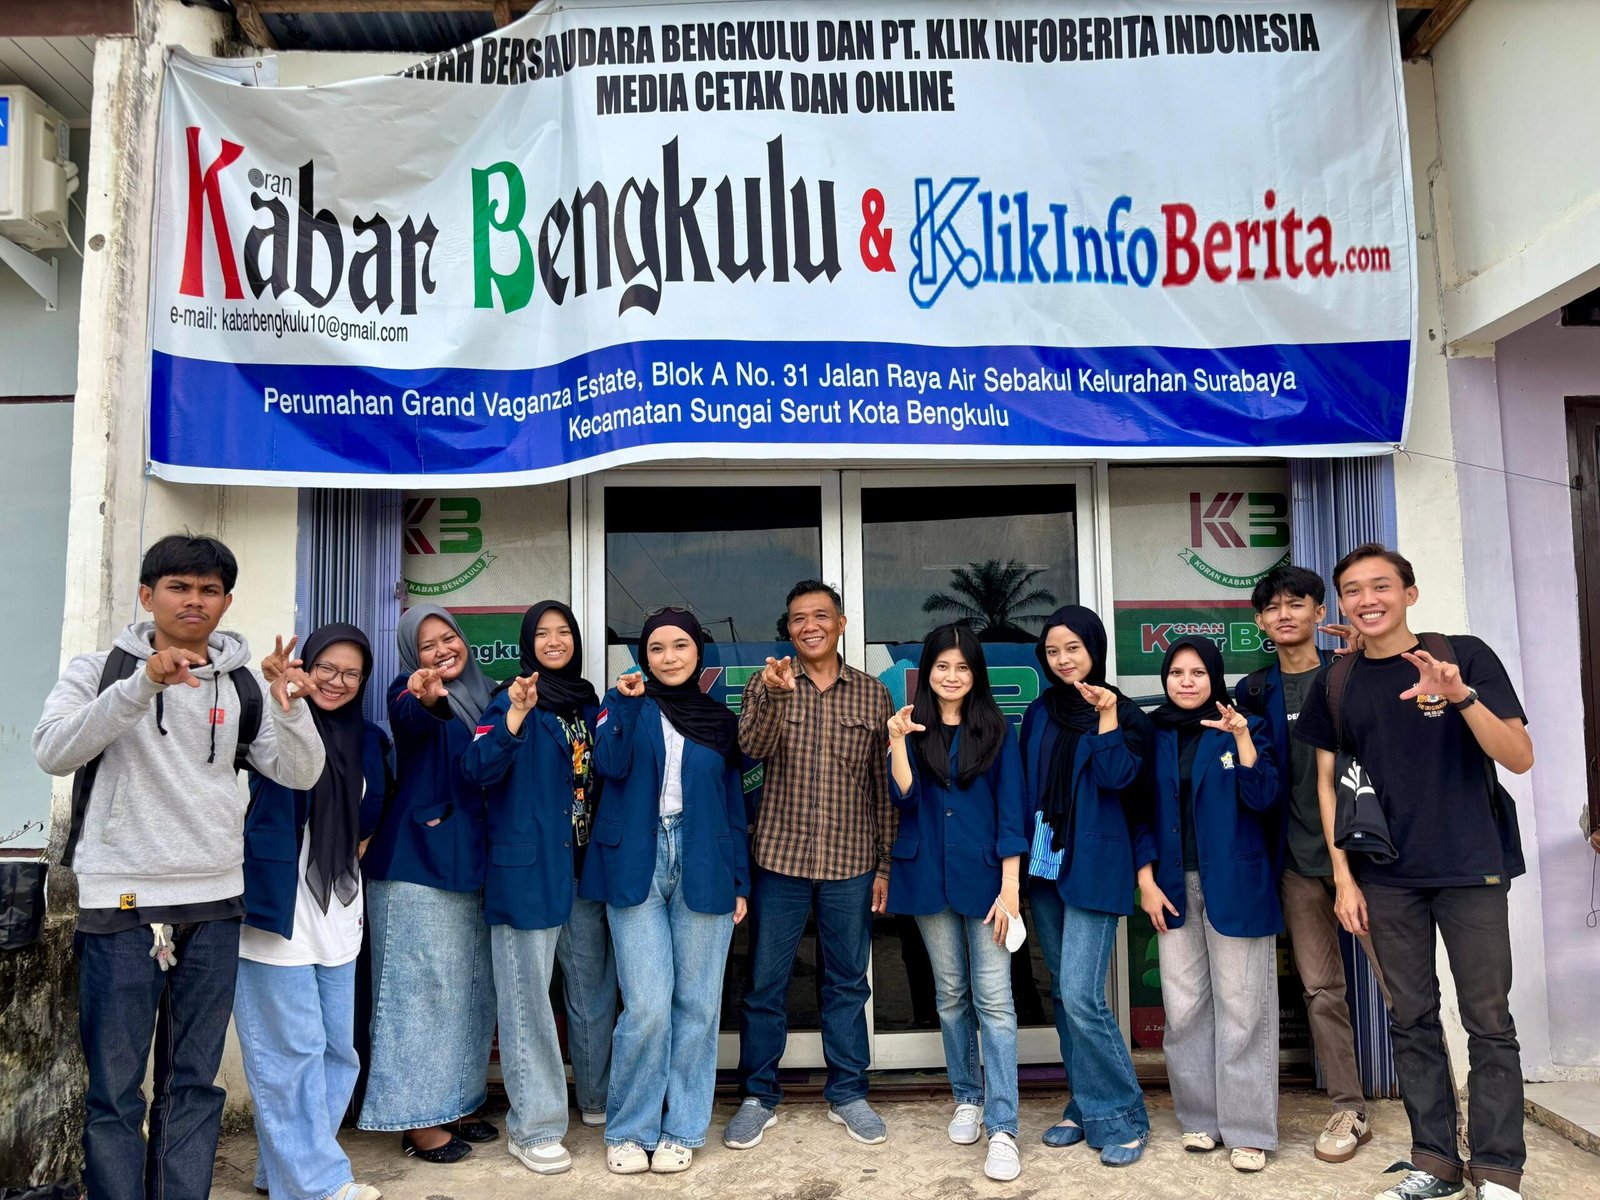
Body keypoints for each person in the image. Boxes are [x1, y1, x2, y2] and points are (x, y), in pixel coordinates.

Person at [32, 533, 325, 1200]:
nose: (195, 600)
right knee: (114, 1089)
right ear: (148, 595)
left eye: (209, 590)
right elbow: (52, 751)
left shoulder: (244, 682)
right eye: (179, 587)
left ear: (225, 602)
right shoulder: (99, 669)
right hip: (121, 904)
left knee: (194, 1083)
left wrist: (292, 705)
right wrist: (141, 686)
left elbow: (299, 773)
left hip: (215, 902)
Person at [1294, 544, 1534, 1200]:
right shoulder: (1337, 682)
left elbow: (1519, 756)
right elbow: (1329, 785)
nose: (1367, 600)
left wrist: (1461, 697)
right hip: (1386, 876)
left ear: (1410, 594)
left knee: (1489, 1020)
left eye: (1381, 586)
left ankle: (1498, 1171)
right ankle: (1436, 1161)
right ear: (1342, 603)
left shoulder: (1465, 657)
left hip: (1471, 868)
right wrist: (1343, 878)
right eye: (1353, 590)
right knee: (1412, 1020)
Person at [724, 581, 896, 1150]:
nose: (809, 626)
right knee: (765, 984)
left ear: (841, 624)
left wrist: (884, 865)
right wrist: (775, 697)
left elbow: (881, 787)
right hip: (780, 860)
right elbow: (750, 748)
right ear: (789, 628)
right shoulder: (768, 682)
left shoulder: (872, 694)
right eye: (798, 618)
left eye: (821, 616)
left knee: (847, 982)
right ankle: (758, 1095)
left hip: (851, 861)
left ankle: (848, 1092)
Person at [581, 609, 750, 1174]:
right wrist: (626, 706)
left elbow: (733, 803)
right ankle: (631, 1129)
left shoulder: (719, 720)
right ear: (644, 657)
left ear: (698, 653)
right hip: (637, 860)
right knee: (648, 1005)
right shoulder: (623, 704)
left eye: (680, 646)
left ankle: (683, 1127)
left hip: (705, 858)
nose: (669, 657)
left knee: (698, 1005)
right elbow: (608, 765)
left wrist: (740, 880)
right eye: (657, 648)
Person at [1234, 563, 1392, 1165]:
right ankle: (1349, 1107)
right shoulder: (1253, 691)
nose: (1285, 615)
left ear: (1319, 612)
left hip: (1368, 859)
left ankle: (1443, 1104)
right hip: (1297, 862)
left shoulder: (1349, 673)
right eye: (1273, 607)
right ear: (1260, 621)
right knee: (1322, 989)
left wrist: (1365, 652)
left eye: (1296, 603)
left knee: (1401, 983)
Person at [460, 600, 617, 1175]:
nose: (554, 641)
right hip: (525, 872)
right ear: (529, 643)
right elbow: (476, 769)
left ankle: (596, 1098)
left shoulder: (586, 702)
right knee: (527, 1001)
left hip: (581, 868)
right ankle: (535, 1127)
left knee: (593, 990)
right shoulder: (511, 697)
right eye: (543, 633)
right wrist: (514, 719)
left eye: (564, 632)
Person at [236, 624, 391, 1200]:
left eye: (351, 673)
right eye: (326, 667)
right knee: (291, 1053)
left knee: (337, 1053)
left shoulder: (370, 740)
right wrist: (275, 694)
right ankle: (317, 1184)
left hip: (339, 910)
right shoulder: (270, 722)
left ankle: (283, 1172)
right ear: (306, 666)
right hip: (278, 906)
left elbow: (373, 814)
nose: (337, 681)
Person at [885, 624, 1028, 1181]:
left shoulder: (996, 730)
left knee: (995, 1002)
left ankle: (1003, 1125)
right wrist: (898, 740)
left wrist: (1011, 886)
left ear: (976, 674)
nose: (952, 676)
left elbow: (1012, 810)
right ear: (928, 671)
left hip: (988, 881)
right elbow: (904, 797)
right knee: (950, 995)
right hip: (927, 876)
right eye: (942, 666)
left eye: (962, 667)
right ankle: (967, 1096)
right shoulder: (912, 726)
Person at [1135, 636, 1281, 1173]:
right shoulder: (1154, 732)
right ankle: (1200, 1118)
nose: (1187, 682)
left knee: (1243, 1010)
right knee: (1183, 1009)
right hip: (1173, 886)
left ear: (1214, 677)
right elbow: (1138, 811)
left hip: (1237, 884)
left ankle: (1248, 1130)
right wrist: (1146, 880)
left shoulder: (1246, 726)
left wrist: (1240, 737)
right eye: (1177, 673)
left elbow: (1264, 797)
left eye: (1198, 672)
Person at [357, 604, 497, 1162]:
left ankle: (456, 1102)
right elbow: (412, 717)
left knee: (468, 989)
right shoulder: (406, 690)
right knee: (416, 995)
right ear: (412, 655)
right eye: (427, 644)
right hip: (416, 863)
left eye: (448, 638)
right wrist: (426, 697)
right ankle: (415, 1121)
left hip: (473, 862)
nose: (442, 651)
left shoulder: (489, 695)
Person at [1021, 606, 1153, 1166]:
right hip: (1044, 865)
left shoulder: (1125, 712)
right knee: (1063, 994)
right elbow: (1026, 784)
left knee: (1082, 995)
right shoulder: (1040, 711)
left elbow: (1118, 779)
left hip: (1096, 864)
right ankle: (1085, 1104)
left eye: (1073, 648)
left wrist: (1107, 718)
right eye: (1053, 651)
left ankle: (1125, 1116)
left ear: (1094, 649)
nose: (1063, 659)